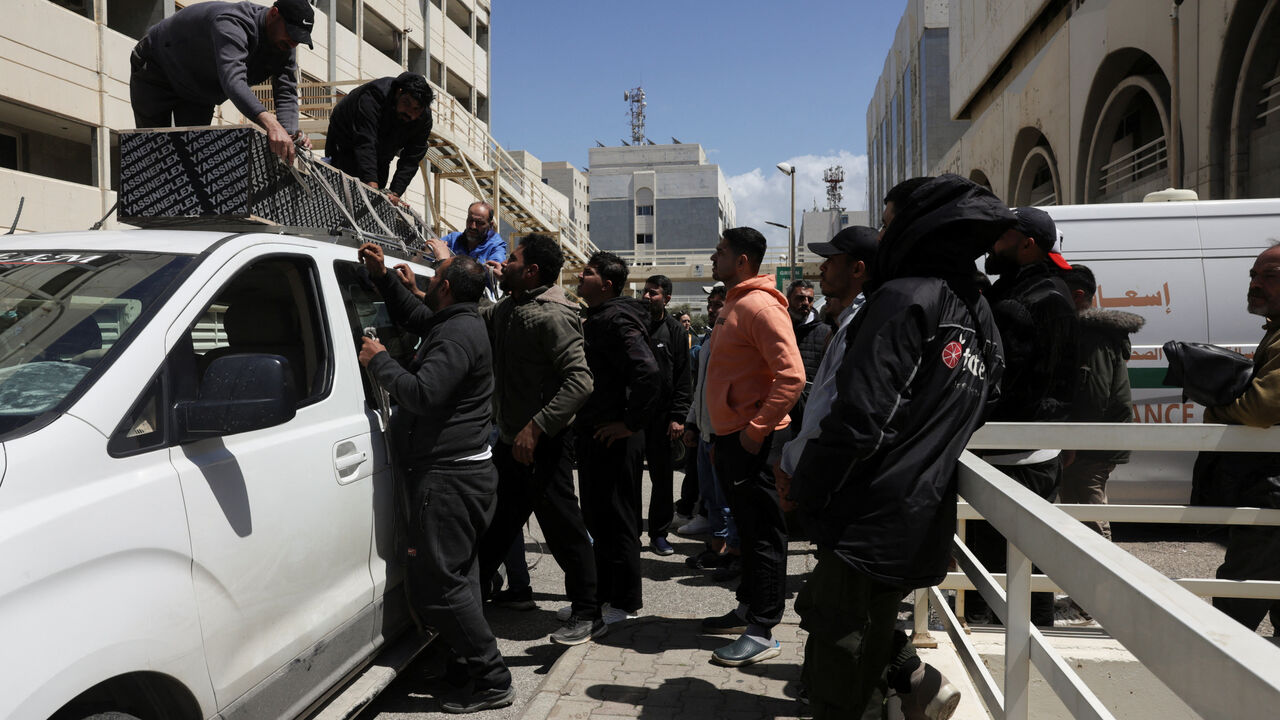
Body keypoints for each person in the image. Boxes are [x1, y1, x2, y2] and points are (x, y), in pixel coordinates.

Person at [791, 175, 1009, 720]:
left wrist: (807, 490)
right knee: (850, 637)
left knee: (842, 669)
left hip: (867, 514)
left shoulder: (906, 296)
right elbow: (982, 404)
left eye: (888, 222)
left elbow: (862, 420)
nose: (884, 234)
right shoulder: (980, 313)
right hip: (916, 515)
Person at [400, 233, 603, 645]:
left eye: (511, 260)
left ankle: (588, 612)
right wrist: (416, 292)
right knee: (494, 530)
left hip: (542, 446)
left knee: (563, 529)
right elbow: (462, 317)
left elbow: (580, 381)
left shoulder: (553, 315)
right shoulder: (511, 308)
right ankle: (470, 605)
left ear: (530, 271)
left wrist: (537, 426)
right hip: (512, 444)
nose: (501, 265)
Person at [356, 246, 513, 714]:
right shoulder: (456, 323)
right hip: (461, 474)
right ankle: (464, 664)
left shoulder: (456, 336)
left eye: (433, 278)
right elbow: (421, 319)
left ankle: (492, 678)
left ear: (443, 287)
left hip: (449, 479)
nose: (425, 286)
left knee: (440, 586)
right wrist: (385, 279)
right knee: (459, 580)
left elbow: (423, 394)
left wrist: (379, 361)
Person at [966, 204, 1079, 628]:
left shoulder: (1040, 298)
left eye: (1002, 236)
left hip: (1017, 461)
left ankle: (1015, 651)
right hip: (1010, 454)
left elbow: (1013, 384)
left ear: (1027, 245)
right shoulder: (1020, 290)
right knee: (996, 568)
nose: (992, 245)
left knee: (1012, 573)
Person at [698, 227, 804, 667]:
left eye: (720, 251)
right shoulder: (733, 303)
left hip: (752, 440)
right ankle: (747, 607)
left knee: (763, 533)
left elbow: (792, 376)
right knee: (746, 525)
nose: (713, 256)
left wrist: (755, 429)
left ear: (742, 261)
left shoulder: (759, 306)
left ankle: (762, 629)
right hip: (730, 438)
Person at [575, 252, 662, 625]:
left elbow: (647, 371)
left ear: (607, 285)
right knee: (597, 518)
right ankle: (602, 598)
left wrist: (629, 423)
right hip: (597, 434)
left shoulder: (617, 318)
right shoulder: (600, 317)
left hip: (616, 437)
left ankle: (623, 603)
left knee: (619, 520)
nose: (580, 276)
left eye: (588, 273)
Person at [1200, 243, 1280, 634]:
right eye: (1254, 275)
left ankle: (1211, 683)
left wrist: (1216, 411)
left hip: (1274, 495)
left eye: (1270, 276)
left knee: (1233, 609)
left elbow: (1261, 408)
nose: (1256, 284)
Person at [129, 0, 311, 163]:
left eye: (299, 39)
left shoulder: (285, 45)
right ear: (274, 14)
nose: (293, 43)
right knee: (153, 158)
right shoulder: (232, 23)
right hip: (158, 70)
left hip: (198, 91)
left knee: (192, 162)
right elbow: (233, 80)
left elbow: (286, 91)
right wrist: (271, 124)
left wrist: (289, 135)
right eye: (291, 33)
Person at [776, 226, 878, 514]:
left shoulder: (857, 326)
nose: (821, 267)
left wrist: (789, 461)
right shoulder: (851, 321)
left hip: (840, 479)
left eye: (831, 260)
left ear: (857, 269)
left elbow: (830, 407)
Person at [1060, 264, 1144, 540]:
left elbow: (1093, 394)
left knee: (1090, 514)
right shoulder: (1092, 333)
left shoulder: (1090, 335)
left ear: (1077, 295)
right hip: (1094, 439)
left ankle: (1101, 577)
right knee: (1077, 512)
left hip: (1091, 444)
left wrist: (1075, 440)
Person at [682, 285, 742, 581]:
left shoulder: (733, 337)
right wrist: (692, 422)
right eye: (710, 303)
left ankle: (734, 553)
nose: (712, 308)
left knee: (727, 499)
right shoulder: (707, 341)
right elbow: (701, 389)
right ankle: (716, 546)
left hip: (724, 432)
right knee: (711, 497)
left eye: (719, 304)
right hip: (705, 430)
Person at [638, 274, 693, 556]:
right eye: (645, 292)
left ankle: (658, 534)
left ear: (666, 298)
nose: (647, 297)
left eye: (653, 293)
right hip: (633, 416)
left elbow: (684, 378)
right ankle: (630, 531)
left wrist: (678, 416)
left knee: (661, 479)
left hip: (662, 418)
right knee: (630, 477)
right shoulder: (632, 325)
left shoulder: (675, 331)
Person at [325, 72, 433, 206]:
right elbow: (365, 141)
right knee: (345, 188)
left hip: (383, 152)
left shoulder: (424, 119)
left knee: (381, 195)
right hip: (346, 140)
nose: (410, 112)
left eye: (416, 109)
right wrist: (372, 187)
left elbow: (411, 159)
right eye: (406, 103)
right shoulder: (374, 96)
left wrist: (395, 193)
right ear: (398, 93)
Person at [785, 279, 833, 436]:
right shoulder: (778, 329)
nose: (805, 302)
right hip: (779, 414)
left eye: (810, 299)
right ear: (788, 300)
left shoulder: (826, 333)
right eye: (800, 298)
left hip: (809, 416)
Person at [427, 202, 508, 272]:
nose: (473, 226)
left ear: (490, 225)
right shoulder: (453, 239)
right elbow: (427, 253)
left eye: (479, 223)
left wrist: (444, 261)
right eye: (470, 220)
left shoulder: (496, 247)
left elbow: (484, 276)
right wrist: (428, 248)